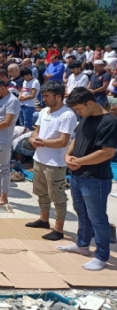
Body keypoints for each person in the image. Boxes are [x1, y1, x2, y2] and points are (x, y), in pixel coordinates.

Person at [58, 87, 117, 271]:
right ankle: (83, 245)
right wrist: (67, 156)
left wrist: (79, 162)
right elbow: (77, 138)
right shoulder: (85, 117)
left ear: (90, 103)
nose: (78, 112)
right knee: (81, 213)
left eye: (79, 109)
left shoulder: (109, 122)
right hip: (77, 175)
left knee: (98, 218)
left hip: (95, 178)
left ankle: (101, 255)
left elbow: (107, 152)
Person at [25, 82, 77, 241]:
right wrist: (32, 139)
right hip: (39, 159)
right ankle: (44, 219)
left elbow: (63, 141)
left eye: (47, 96)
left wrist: (41, 142)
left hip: (55, 163)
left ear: (58, 96)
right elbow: (36, 131)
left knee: (57, 197)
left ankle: (59, 229)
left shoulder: (67, 115)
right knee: (41, 193)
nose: (44, 99)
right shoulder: (44, 112)